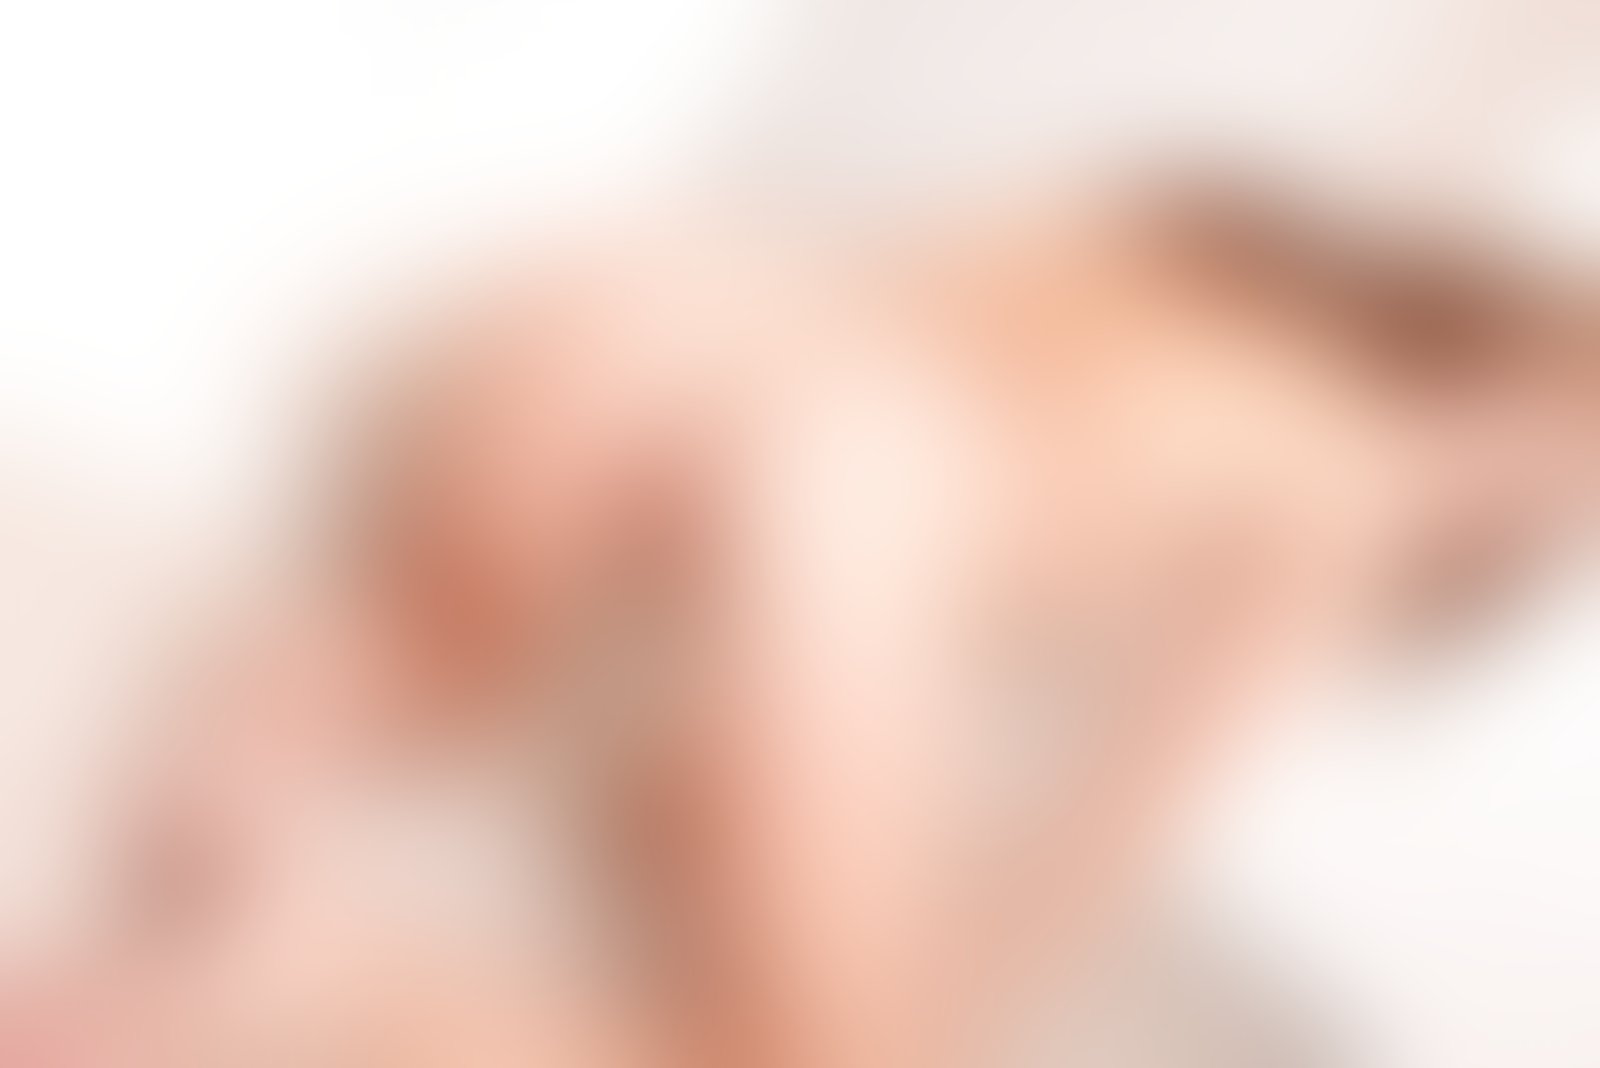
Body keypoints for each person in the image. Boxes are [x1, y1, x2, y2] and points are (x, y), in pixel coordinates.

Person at [75, 176, 1596, 1067]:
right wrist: (953, 1007)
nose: (1547, 510)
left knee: (407, 663)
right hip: (849, 446)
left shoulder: (1190, 266)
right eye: (1563, 470)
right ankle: (299, 975)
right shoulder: (1357, 476)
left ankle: (188, 912)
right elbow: (1125, 812)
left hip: (632, 321)